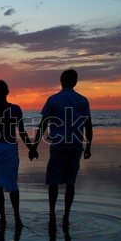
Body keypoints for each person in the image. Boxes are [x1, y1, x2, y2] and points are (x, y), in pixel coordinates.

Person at [30, 69, 93, 225]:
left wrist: (34, 147)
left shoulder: (53, 100)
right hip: (76, 145)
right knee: (70, 181)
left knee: (53, 180)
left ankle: (52, 212)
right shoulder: (82, 100)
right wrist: (89, 147)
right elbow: (88, 126)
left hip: (59, 145)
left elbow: (43, 124)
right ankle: (66, 215)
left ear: (61, 81)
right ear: (75, 82)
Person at [0, 80, 33, 227]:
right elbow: (21, 131)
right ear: (7, 92)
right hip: (10, 150)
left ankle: (2, 217)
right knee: (12, 183)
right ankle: (16, 216)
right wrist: (31, 148)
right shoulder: (15, 109)